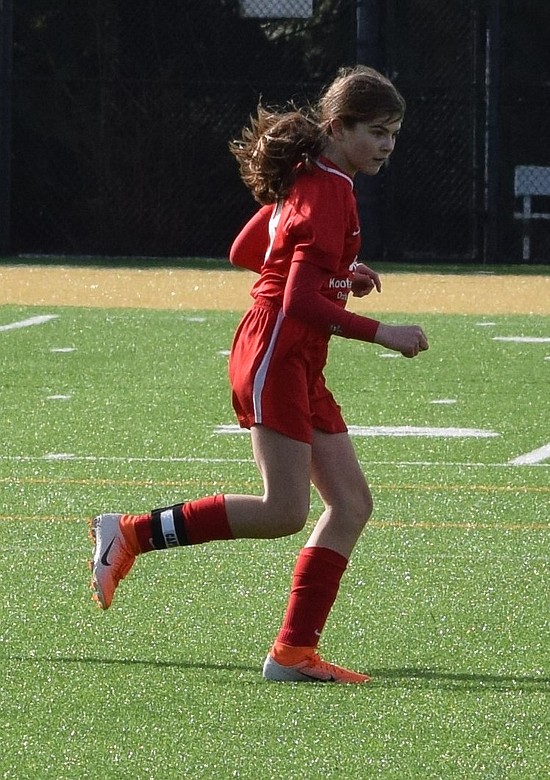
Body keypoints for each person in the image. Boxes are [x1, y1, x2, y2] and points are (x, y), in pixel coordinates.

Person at [89, 65, 428, 684]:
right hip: (278, 345)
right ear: (338, 126)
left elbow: (248, 252)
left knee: (350, 504)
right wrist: (385, 333)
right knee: (282, 510)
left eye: (394, 133)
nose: (387, 145)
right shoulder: (329, 189)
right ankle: (131, 532)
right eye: (377, 132)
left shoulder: (314, 177)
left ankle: (293, 653)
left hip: (295, 352)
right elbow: (295, 300)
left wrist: (334, 273)